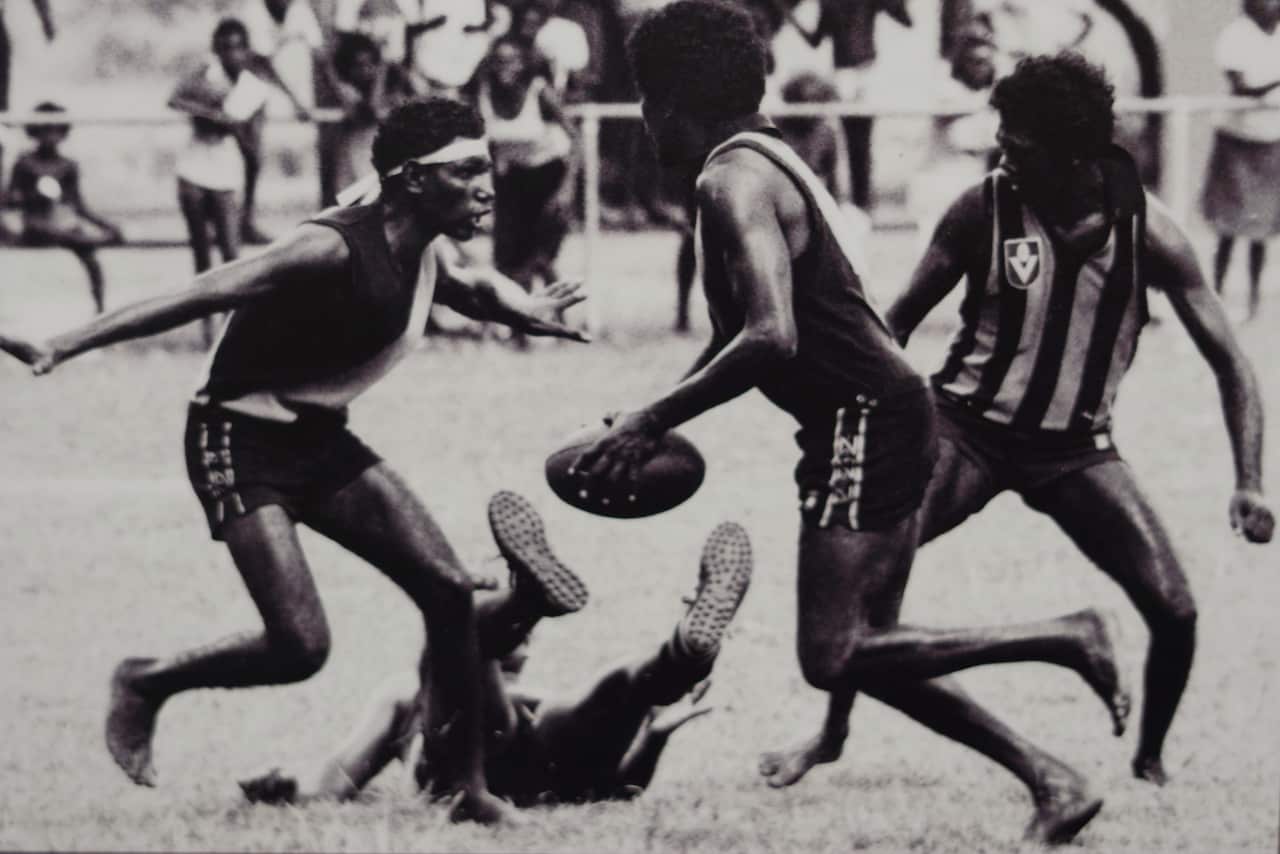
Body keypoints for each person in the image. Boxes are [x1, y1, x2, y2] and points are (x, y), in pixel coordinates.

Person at [578, 4, 1132, 843]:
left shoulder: (730, 182)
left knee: (832, 653)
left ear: (674, 101)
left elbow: (772, 336)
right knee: (875, 646)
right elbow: (742, 335)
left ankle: (1065, 635)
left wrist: (657, 415)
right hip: (881, 412)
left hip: (864, 419)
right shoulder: (768, 160)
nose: (646, 121)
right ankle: (1049, 777)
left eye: (648, 99)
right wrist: (651, 421)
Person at [0, 96, 589, 825]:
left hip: (317, 439)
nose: (487, 185)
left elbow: (472, 288)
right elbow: (200, 291)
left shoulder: (425, 246)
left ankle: (466, 791)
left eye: (488, 167)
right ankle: (146, 681)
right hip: (237, 441)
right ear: (409, 179)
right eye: (467, 170)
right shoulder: (331, 247)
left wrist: (526, 310)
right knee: (300, 647)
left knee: (446, 591)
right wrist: (65, 341)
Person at [760, 52, 1274, 799]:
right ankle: (831, 735)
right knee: (869, 590)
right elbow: (892, 326)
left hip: (1076, 450)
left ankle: (1149, 760)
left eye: (1017, 139)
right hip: (962, 430)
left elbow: (1233, 364)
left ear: (1072, 150)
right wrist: (851, 415)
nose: (1001, 149)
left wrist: (1251, 482)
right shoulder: (982, 208)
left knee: (1176, 608)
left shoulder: (1150, 233)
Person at [238, 495, 754, 808]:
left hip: (546, 766)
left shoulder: (546, 704)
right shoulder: (407, 695)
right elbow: (336, 780)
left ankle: (683, 652)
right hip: (474, 764)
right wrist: (284, 788)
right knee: (492, 669)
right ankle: (529, 598)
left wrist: (655, 737)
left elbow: (614, 789)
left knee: (617, 689)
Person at [169, 18, 274, 345]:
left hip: (226, 171)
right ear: (216, 49)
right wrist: (211, 114)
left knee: (231, 253)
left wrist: (235, 129)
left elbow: (254, 147)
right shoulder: (205, 74)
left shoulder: (254, 89)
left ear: (247, 51)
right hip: (193, 168)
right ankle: (206, 329)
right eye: (226, 47)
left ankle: (235, 327)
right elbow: (175, 99)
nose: (233, 54)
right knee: (201, 253)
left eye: (239, 47)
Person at [475, 33, 576, 293]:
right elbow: (486, 143)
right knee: (508, 256)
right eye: (498, 61)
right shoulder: (485, 93)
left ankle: (559, 318)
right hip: (513, 177)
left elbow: (576, 139)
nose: (504, 67)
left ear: (523, 64)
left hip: (551, 173)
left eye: (511, 61)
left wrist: (566, 188)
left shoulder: (539, 91)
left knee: (540, 258)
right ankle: (517, 326)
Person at [1201, 0, 1280, 321]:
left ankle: (1253, 302)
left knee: (1260, 228)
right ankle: (1216, 297)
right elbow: (1243, 87)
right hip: (1237, 140)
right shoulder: (1235, 36)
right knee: (1228, 226)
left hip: (1272, 138)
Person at [5, 102, 123, 315]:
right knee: (59, 232)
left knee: (88, 254)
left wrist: (108, 225)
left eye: (56, 130)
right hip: (35, 223)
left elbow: (79, 206)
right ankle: (94, 240)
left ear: (63, 133)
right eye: (45, 130)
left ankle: (100, 309)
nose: (51, 136)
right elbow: (10, 200)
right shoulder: (25, 162)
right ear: (35, 132)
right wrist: (34, 195)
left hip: (60, 222)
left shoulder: (68, 165)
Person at [238, 0, 322, 245]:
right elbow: (261, 63)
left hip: (298, 100)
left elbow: (319, 56)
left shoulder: (301, 10)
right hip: (258, 96)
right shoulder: (252, 10)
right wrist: (295, 99)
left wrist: (336, 93)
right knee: (253, 159)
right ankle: (246, 222)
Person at [324, 31, 415, 193]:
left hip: (381, 161)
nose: (366, 70)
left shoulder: (391, 87)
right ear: (348, 68)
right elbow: (372, 109)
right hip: (355, 162)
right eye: (359, 66)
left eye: (371, 64)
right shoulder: (348, 90)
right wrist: (382, 68)